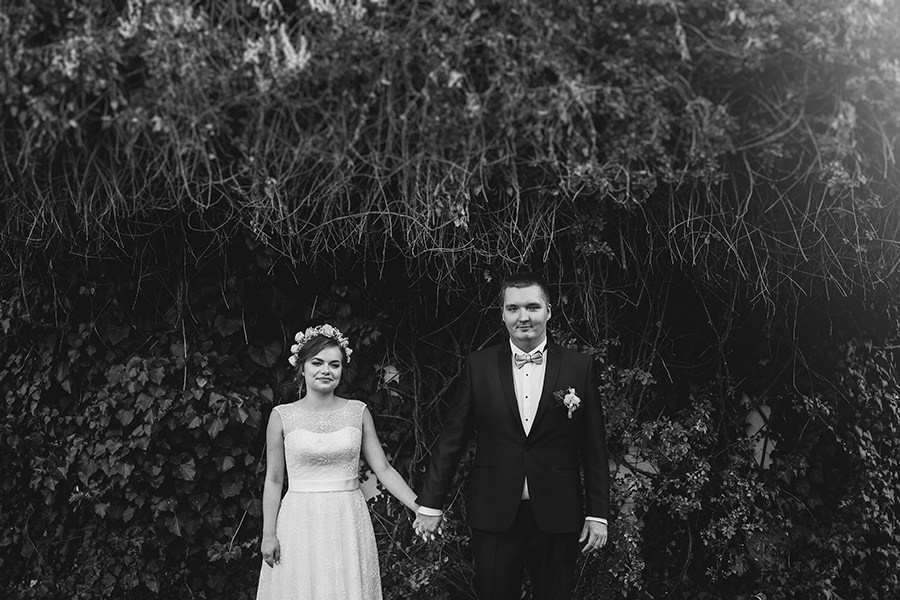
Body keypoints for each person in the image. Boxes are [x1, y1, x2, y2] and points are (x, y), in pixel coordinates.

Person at [413, 272, 611, 600]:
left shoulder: (579, 367)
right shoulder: (479, 366)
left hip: (558, 512)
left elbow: (594, 447)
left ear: (548, 311)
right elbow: (452, 438)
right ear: (502, 314)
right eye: (513, 308)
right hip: (494, 512)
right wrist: (431, 504)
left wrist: (598, 513)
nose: (523, 317)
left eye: (532, 307)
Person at [256, 324, 419, 600]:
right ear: (302, 367)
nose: (326, 370)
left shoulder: (358, 412)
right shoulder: (281, 416)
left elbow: (383, 468)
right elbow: (273, 480)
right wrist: (268, 533)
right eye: (317, 362)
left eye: (334, 364)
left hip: (347, 519)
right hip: (299, 520)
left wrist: (419, 506)